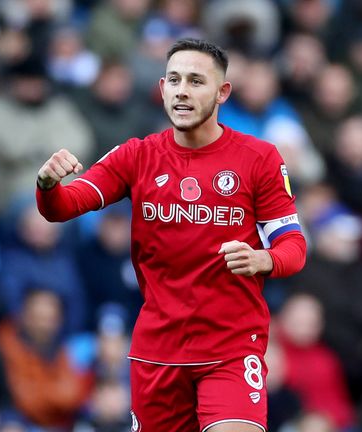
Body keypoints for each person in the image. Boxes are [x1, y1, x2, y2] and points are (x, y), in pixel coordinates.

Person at [36, 38, 307, 432]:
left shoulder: (259, 158)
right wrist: (46, 184)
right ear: (162, 89)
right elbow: (62, 207)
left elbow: (294, 247)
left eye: (197, 81)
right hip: (157, 354)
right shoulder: (137, 155)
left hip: (230, 350)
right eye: (174, 80)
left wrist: (265, 258)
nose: (182, 90)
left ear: (222, 92)